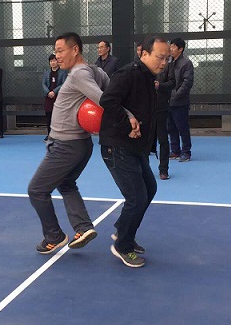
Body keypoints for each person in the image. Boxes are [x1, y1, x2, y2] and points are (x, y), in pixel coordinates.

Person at [28, 32, 108, 254]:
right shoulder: (95, 71)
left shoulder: (79, 74)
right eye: (55, 51)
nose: (57, 56)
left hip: (66, 146)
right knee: (66, 183)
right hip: (80, 144)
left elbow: (106, 100)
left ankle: (54, 236)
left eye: (60, 50)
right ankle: (83, 227)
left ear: (75, 50)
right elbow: (112, 92)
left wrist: (128, 117)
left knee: (36, 190)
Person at [99, 36, 170, 268]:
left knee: (149, 189)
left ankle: (123, 230)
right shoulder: (128, 74)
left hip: (136, 148)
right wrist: (126, 123)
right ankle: (122, 246)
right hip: (117, 146)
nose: (164, 62)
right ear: (144, 54)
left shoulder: (149, 77)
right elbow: (108, 101)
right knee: (136, 198)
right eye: (160, 57)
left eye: (167, 58)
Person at [166, 38, 194, 162]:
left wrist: (176, 95)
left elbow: (187, 82)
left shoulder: (186, 63)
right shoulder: (169, 62)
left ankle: (186, 152)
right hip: (168, 101)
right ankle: (175, 151)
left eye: (173, 47)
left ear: (180, 49)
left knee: (182, 128)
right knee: (171, 127)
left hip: (180, 101)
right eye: (170, 46)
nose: (170, 49)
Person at [41, 53, 67, 141]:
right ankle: (49, 134)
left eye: (54, 61)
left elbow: (64, 83)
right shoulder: (46, 72)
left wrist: (54, 92)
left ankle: (58, 135)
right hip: (48, 98)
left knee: (58, 116)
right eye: (51, 61)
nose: (53, 63)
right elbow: (43, 84)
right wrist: (48, 92)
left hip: (58, 97)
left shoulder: (63, 72)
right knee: (48, 116)